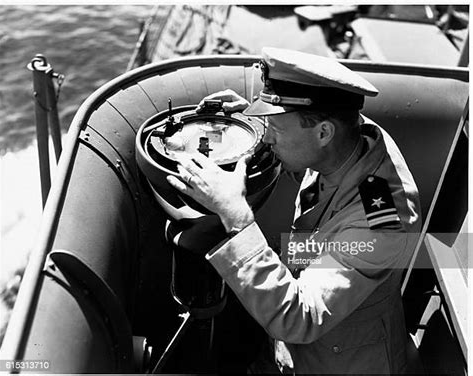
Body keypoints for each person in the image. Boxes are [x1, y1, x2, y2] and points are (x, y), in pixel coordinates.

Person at [166, 47, 421, 374]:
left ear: (323, 133)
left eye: (275, 129)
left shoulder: (381, 221)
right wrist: (248, 121)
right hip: (298, 343)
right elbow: (302, 143)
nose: (267, 137)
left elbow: (300, 316)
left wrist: (238, 218)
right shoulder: (344, 138)